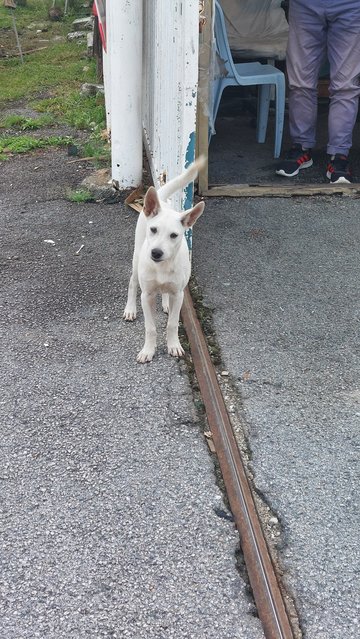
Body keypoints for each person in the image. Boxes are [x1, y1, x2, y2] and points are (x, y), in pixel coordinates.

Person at [276, 0, 360, 183]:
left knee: (346, 85)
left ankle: (339, 155)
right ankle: (301, 147)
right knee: (300, 82)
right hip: (305, 4)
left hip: (351, 5)